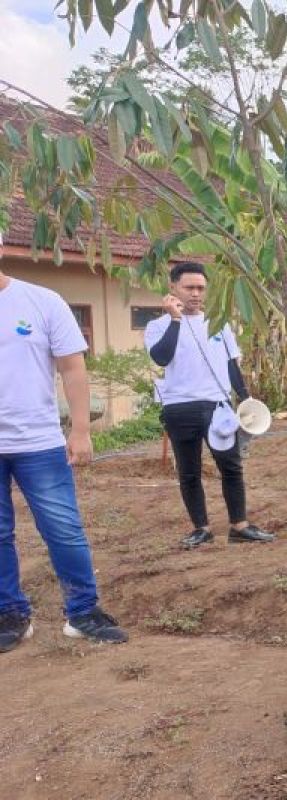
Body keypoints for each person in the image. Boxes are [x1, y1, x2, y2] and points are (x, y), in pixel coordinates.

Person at [0, 231, 128, 650]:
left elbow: (72, 369)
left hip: (39, 441)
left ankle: (83, 612)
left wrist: (80, 429)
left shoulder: (42, 301)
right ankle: (11, 615)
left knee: (63, 529)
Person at [145, 262, 275, 550]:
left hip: (218, 407)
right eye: (189, 287)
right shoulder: (157, 326)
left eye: (200, 288)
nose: (195, 294)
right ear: (173, 287)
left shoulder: (218, 323)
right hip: (179, 407)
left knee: (231, 465)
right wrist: (175, 320)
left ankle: (239, 526)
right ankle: (200, 528)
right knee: (189, 471)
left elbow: (231, 365)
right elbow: (162, 358)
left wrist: (245, 398)